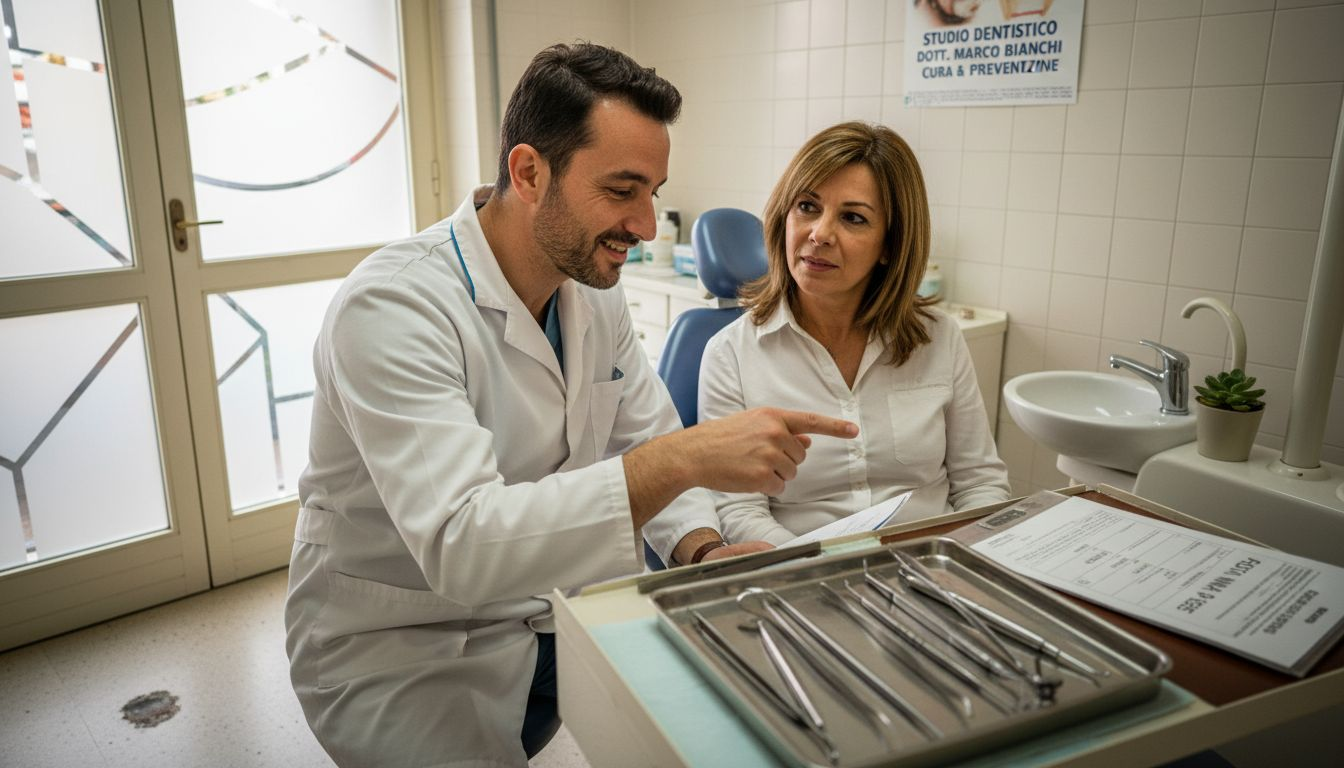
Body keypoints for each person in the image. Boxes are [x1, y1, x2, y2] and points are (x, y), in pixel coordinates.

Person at [284, 44, 857, 768]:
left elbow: (642, 429)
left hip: (546, 613)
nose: (647, 226)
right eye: (623, 190)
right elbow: (462, 544)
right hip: (405, 645)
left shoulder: (587, 290)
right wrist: (682, 458)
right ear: (529, 172)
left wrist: (702, 550)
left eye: (654, 191)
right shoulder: (394, 307)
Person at [698, 121, 1010, 546]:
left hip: (932, 564)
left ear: (889, 244)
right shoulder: (730, 354)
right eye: (807, 206)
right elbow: (737, 508)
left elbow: (979, 482)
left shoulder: (938, 338)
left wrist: (964, 557)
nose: (820, 234)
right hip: (802, 575)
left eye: (853, 218)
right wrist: (813, 566)